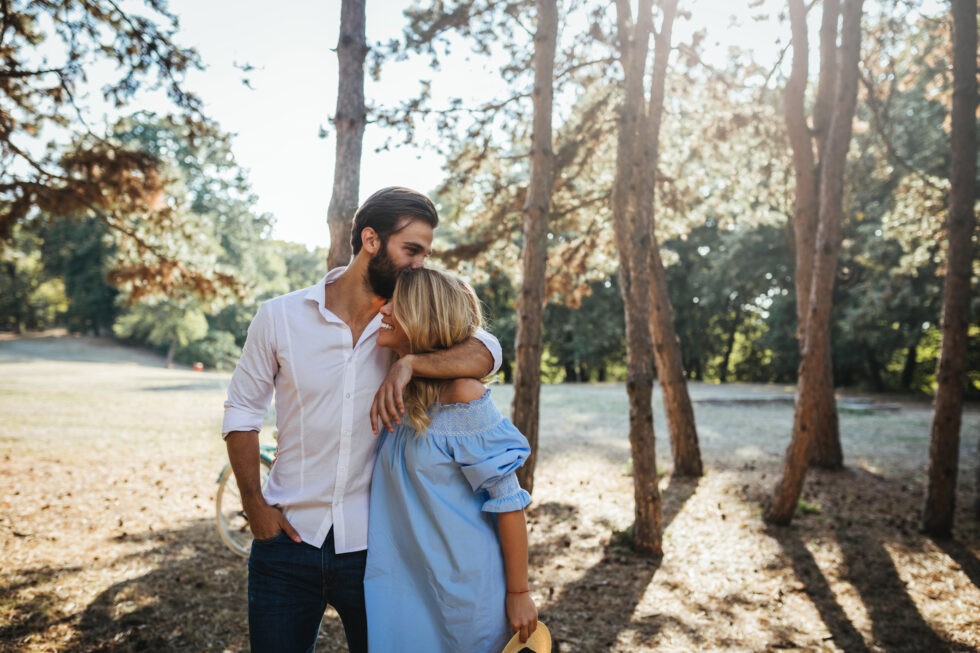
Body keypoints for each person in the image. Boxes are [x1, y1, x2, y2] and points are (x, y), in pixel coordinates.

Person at [221, 187, 502, 653]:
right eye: (411, 250)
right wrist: (254, 505)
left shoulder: (403, 328)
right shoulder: (280, 317)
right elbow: (242, 411)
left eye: (425, 254)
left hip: (380, 550)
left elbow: (488, 350)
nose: (419, 265)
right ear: (371, 240)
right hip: (285, 543)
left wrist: (411, 363)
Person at [364, 267, 538, 652]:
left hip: (464, 595)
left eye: (397, 304)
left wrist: (519, 592)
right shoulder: (397, 389)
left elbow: (509, 502)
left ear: (424, 317)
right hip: (401, 589)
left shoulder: (463, 393)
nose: (384, 309)